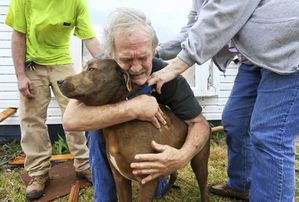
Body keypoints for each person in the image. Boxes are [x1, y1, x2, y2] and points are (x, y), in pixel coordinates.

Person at [147, 0, 299, 201]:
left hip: (288, 52)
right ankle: (241, 184)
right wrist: (155, 52)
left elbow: (224, 13)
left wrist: (176, 65)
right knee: (235, 120)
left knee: (271, 135)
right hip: (255, 59)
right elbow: (196, 27)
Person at [63, 8, 210, 201]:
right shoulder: (100, 69)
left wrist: (181, 156)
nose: (136, 67)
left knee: (151, 188)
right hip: (115, 139)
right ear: (112, 55)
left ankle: (159, 179)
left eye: (143, 57)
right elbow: (71, 120)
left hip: (152, 142)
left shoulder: (168, 76)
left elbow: (200, 124)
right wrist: (133, 108)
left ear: (153, 51)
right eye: (126, 59)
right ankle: (105, 197)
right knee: (96, 131)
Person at [5, 0, 101, 200]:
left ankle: (84, 165)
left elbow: (89, 38)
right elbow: (18, 36)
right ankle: (39, 173)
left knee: (76, 113)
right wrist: (20, 76)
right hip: (33, 64)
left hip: (62, 61)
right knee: (32, 119)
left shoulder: (76, 2)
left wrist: (109, 62)